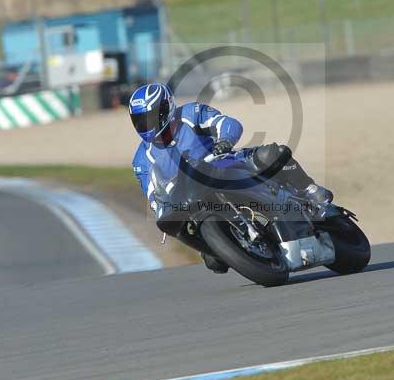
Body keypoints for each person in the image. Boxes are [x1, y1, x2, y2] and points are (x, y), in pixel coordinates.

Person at [129, 82, 332, 274]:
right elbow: (152, 195)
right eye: (140, 121)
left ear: (167, 107)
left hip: (222, 163)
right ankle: (233, 245)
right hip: (190, 196)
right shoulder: (141, 160)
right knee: (213, 260)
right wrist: (161, 206)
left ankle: (311, 191)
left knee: (272, 154)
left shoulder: (191, 113)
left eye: (150, 117)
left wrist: (224, 142)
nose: (146, 125)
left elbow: (228, 123)